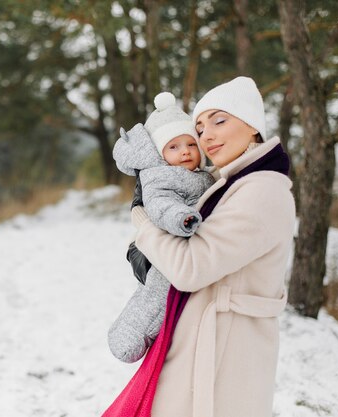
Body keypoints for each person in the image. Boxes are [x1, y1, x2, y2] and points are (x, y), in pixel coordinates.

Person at [104, 76, 295, 417]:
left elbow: (191, 268)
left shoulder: (261, 190)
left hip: (227, 349)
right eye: (200, 127)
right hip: (204, 337)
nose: (206, 135)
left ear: (252, 126)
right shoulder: (228, 182)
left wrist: (144, 225)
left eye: (219, 120)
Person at [109, 92, 214, 363]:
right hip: (168, 241)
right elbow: (161, 205)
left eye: (191, 144)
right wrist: (182, 218)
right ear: (161, 153)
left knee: (166, 300)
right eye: (174, 147)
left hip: (182, 247)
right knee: (156, 295)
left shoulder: (203, 175)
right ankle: (130, 335)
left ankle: (156, 336)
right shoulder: (159, 177)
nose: (185, 152)